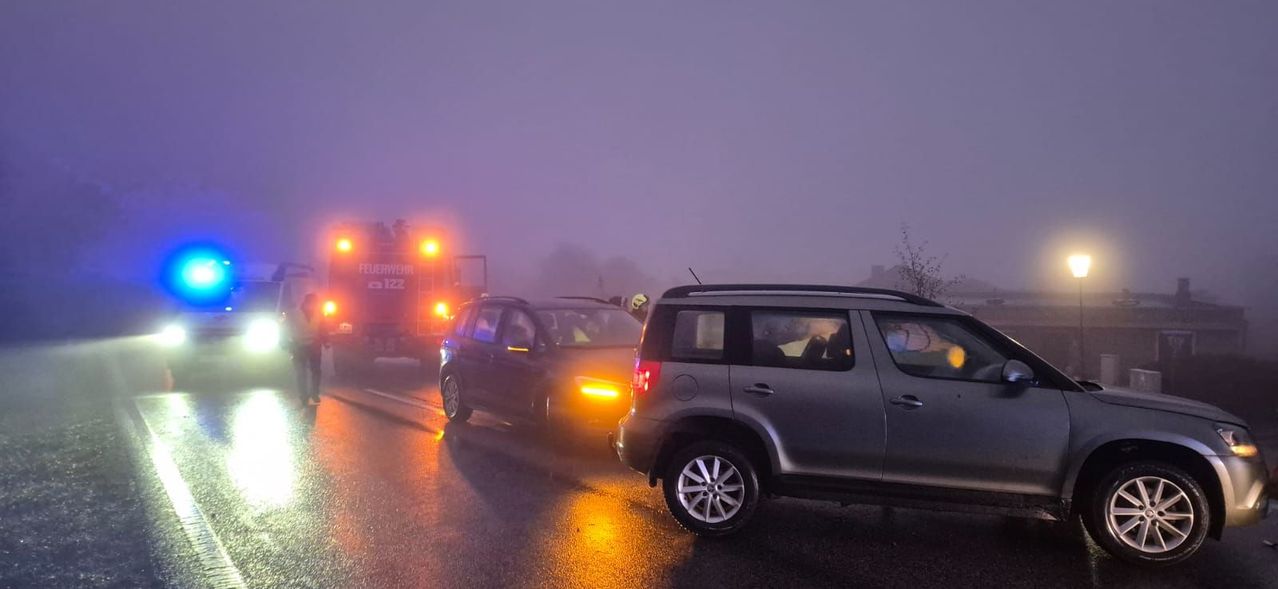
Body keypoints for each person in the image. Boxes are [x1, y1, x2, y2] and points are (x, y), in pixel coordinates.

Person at [285, 293, 328, 406]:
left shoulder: (319, 314)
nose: (314, 306)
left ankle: (314, 393)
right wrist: (285, 343)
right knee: (301, 372)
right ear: (306, 303)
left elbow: (323, 328)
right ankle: (303, 395)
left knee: (316, 371)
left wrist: (326, 341)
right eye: (312, 303)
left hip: (314, 346)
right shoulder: (294, 314)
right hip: (298, 346)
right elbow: (285, 328)